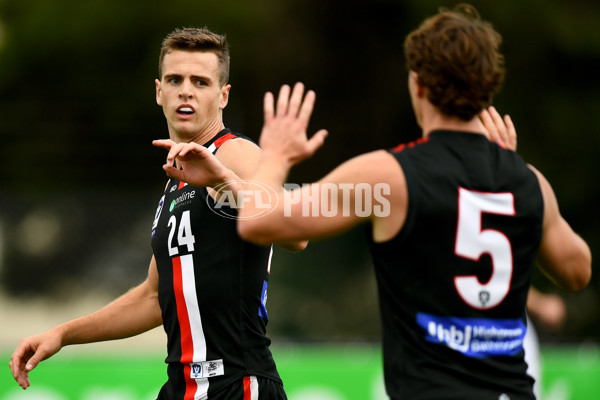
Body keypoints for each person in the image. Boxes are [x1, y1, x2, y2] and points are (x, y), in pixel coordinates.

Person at [157, 5, 592, 399]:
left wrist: (273, 158)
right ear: (489, 88)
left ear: (417, 85)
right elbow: (577, 270)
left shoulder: (389, 179)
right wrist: (515, 187)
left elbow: (261, 223)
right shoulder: (526, 181)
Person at [9, 27, 304, 399]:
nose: (186, 90)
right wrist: (63, 334)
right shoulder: (176, 182)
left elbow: (296, 231)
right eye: (175, 79)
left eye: (201, 81)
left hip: (236, 383)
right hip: (183, 387)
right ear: (158, 91)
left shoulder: (235, 154)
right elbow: (153, 297)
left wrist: (224, 180)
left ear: (223, 96)